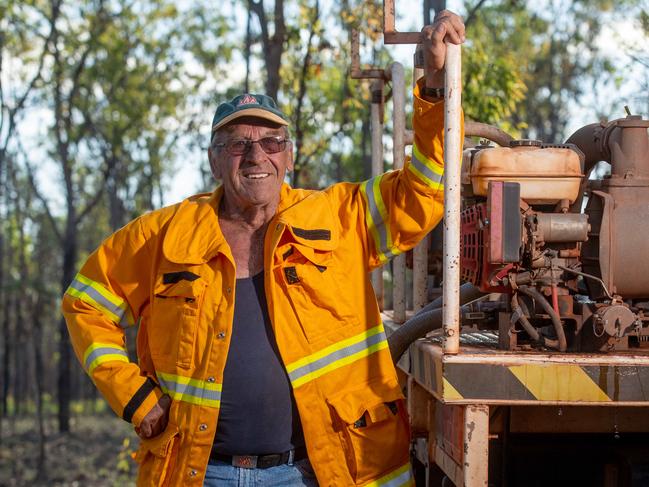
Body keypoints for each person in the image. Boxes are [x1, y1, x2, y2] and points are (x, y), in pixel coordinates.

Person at [62, 10, 465, 487]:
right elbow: (85, 302)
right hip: (200, 472)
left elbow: (426, 191)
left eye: (271, 142)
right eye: (237, 144)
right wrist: (133, 397)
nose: (256, 156)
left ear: (289, 156)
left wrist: (436, 89)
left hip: (318, 470)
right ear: (215, 161)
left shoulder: (339, 216)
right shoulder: (164, 236)